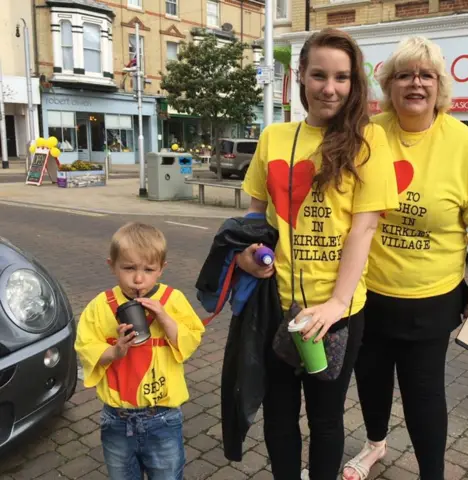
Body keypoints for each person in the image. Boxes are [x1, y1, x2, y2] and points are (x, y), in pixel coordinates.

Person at [343, 36, 468, 480]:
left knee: (423, 396)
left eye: (426, 75)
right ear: (388, 84)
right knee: (371, 383)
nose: (415, 83)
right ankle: (375, 445)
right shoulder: (368, 134)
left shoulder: (464, 144)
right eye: (403, 74)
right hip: (367, 294)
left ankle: (430, 472)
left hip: (431, 300)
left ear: (440, 86)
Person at [237, 28, 398, 480]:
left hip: (337, 312)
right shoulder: (273, 137)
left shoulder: (369, 142)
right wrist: (248, 257)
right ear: (301, 77)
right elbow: (254, 217)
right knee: (278, 415)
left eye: (342, 77)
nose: (330, 87)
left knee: (326, 418)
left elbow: (364, 228)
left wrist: (336, 303)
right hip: (276, 305)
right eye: (320, 75)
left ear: (354, 83)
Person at [74, 222, 205, 480]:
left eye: (148, 269)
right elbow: (85, 345)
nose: (138, 278)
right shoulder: (101, 306)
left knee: (167, 475)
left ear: (161, 270)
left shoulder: (173, 299)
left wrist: (164, 317)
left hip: (164, 417)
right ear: (111, 266)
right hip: (117, 419)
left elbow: (191, 339)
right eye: (129, 268)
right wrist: (114, 352)